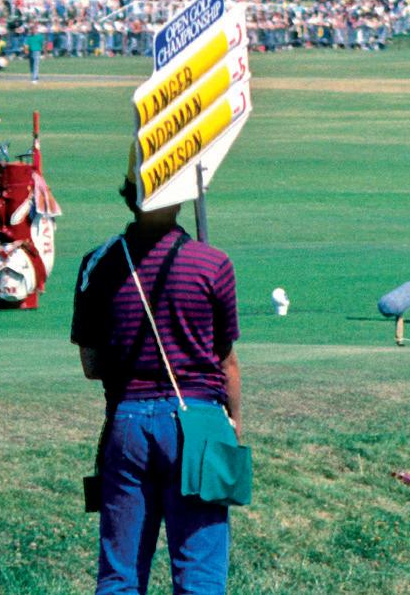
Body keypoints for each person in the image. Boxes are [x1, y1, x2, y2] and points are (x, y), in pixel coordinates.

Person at [72, 182, 242, 594]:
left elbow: (92, 366)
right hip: (201, 420)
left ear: (130, 194)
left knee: (120, 576)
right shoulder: (213, 263)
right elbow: (227, 363)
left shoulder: (97, 262)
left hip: (127, 420)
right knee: (200, 576)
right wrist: (234, 422)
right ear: (180, 194)